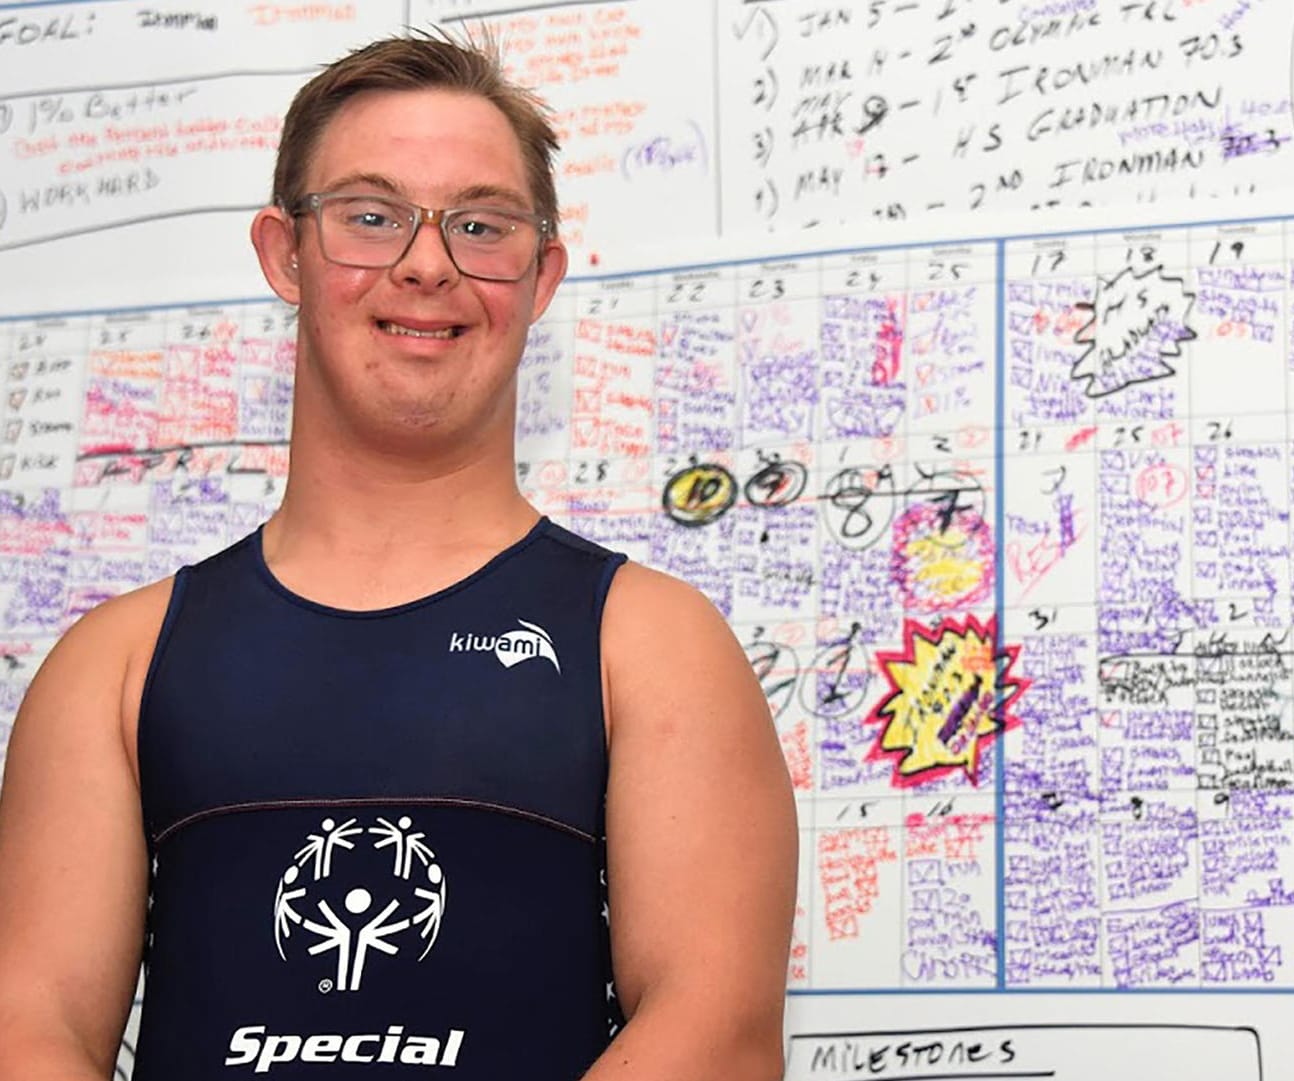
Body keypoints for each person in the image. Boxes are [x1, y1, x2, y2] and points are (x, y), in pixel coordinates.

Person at [0, 34, 797, 1080]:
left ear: (541, 274)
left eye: (481, 225)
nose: (428, 264)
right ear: (284, 253)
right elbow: (31, 1027)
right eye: (371, 217)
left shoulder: (650, 644)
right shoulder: (114, 664)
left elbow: (716, 1033)